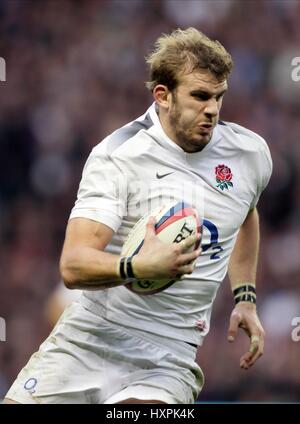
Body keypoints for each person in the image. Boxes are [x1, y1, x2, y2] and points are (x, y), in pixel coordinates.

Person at [4, 27, 272, 404]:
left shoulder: (250, 154)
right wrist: (139, 266)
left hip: (168, 356)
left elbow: (246, 212)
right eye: (199, 96)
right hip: (89, 337)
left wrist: (245, 297)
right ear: (162, 95)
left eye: (219, 97)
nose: (212, 109)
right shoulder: (118, 156)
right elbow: (73, 265)